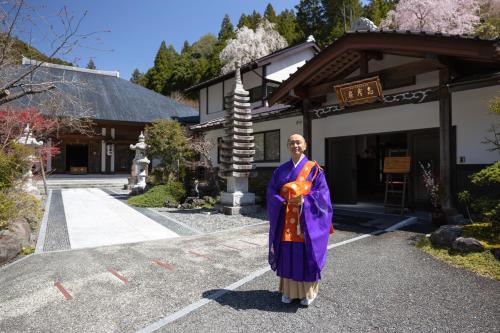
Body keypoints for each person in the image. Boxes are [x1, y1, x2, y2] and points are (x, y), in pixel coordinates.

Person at [266, 133, 333, 306]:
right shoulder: (280, 170)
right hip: (286, 219)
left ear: (305, 146)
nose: (295, 145)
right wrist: (282, 201)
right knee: (287, 254)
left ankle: (308, 293)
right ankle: (288, 291)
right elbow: (271, 192)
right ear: (288, 147)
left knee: (305, 255)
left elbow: (323, 195)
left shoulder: (314, 169)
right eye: (291, 143)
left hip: (306, 221)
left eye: (298, 142)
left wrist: (305, 200)